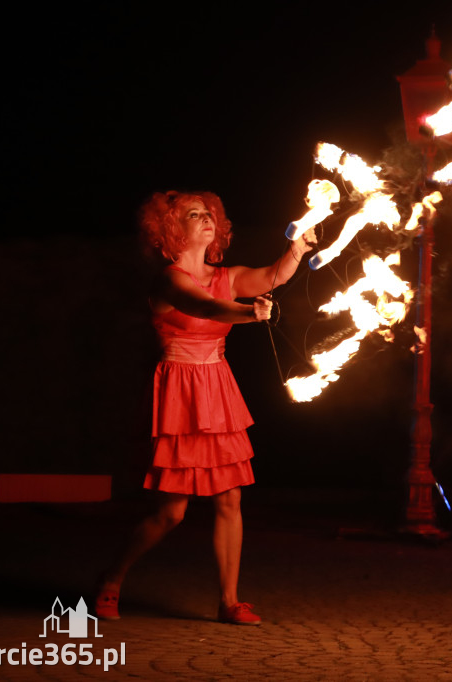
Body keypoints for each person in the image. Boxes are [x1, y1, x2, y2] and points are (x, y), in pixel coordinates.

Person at [95, 190, 316, 626]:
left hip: (217, 387)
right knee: (170, 512)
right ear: (170, 232)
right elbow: (204, 307)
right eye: (193, 215)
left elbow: (271, 276)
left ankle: (230, 601)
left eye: (209, 213)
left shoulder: (225, 275)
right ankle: (111, 581)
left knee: (229, 500)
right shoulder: (169, 279)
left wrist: (295, 250)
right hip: (179, 388)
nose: (206, 219)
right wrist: (248, 313)